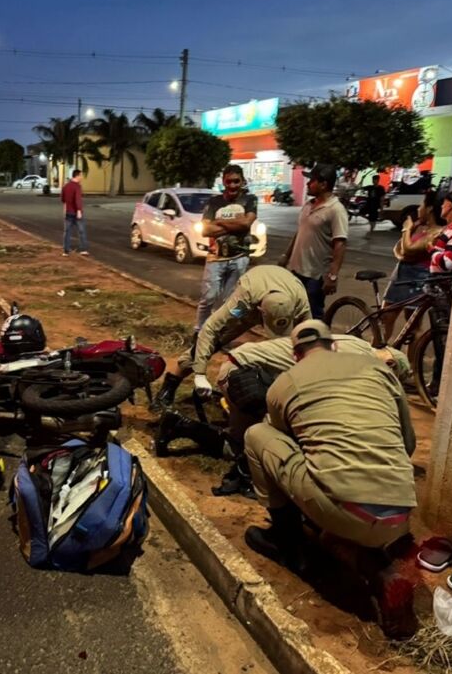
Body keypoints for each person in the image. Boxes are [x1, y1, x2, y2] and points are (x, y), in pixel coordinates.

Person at [244, 320, 418, 639]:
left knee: (257, 434)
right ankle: (379, 561)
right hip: (402, 510)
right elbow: (408, 443)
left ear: (295, 354)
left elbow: (285, 438)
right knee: (352, 506)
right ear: (334, 344)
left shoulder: (285, 382)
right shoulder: (376, 369)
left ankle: (286, 542)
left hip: (345, 510)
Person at [157, 332, 410, 498]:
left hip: (242, 369)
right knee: (283, 437)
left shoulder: (356, 344)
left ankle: (179, 426)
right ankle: (257, 484)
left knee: (239, 446)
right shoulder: (358, 361)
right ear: (389, 366)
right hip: (246, 375)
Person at [151, 265, 310, 410]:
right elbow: (210, 328)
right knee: (212, 343)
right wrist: (200, 374)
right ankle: (167, 390)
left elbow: (310, 336)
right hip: (250, 306)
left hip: (280, 294)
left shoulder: (300, 300)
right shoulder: (243, 301)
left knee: (290, 349)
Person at [278, 163, 348, 320]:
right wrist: (286, 255)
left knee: (313, 316)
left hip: (315, 276)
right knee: (294, 312)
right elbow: (300, 232)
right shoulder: (309, 205)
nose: (308, 184)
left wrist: (333, 276)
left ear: (323, 184)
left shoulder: (336, 210)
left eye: (312, 180)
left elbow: (340, 244)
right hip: (296, 270)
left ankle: (318, 343)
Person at [194, 165, 258, 330]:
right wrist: (236, 225)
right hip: (216, 257)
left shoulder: (250, 200)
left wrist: (219, 223)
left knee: (231, 302)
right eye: (228, 181)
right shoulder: (214, 202)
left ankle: (221, 334)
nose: (232, 185)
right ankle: (199, 332)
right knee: (208, 298)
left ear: (242, 181)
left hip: (240, 258)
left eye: (236, 181)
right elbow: (206, 230)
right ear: (223, 182)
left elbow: (246, 223)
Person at [380, 192, 443, 339]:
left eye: (422, 205)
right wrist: (412, 230)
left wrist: (406, 229)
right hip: (402, 272)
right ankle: (379, 351)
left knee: (413, 325)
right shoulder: (421, 227)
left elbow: (409, 249)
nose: (419, 208)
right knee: (386, 317)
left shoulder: (438, 232)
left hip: (419, 277)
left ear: (429, 209)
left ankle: (411, 361)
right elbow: (399, 249)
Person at [428, 188, 452, 274]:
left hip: (442, 283)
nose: (442, 206)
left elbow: (447, 263)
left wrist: (431, 250)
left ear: (449, 206)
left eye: (443, 203)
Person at [61, 169, 89, 256]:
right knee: (81, 231)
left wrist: (65, 210)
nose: (82, 177)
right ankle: (83, 249)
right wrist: (79, 210)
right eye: (81, 175)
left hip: (68, 212)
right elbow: (78, 199)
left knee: (67, 231)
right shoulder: (77, 186)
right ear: (77, 176)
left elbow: (63, 200)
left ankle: (66, 250)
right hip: (76, 212)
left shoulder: (65, 186)